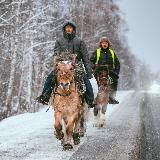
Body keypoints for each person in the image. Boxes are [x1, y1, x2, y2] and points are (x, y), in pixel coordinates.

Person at [37, 21, 94, 107]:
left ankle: (90, 100)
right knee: (50, 78)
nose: (68, 29)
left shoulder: (80, 41)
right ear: (64, 29)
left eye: (70, 27)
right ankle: (45, 97)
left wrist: (89, 72)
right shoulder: (59, 41)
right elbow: (56, 54)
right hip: (62, 66)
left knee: (85, 81)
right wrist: (58, 63)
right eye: (67, 28)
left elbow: (85, 57)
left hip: (76, 66)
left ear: (73, 29)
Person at [90, 37, 120, 104]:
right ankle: (92, 97)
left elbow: (117, 63)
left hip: (109, 71)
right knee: (92, 82)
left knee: (115, 80)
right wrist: (94, 66)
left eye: (106, 43)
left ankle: (112, 97)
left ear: (108, 44)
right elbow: (90, 62)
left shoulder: (112, 52)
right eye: (103, 43)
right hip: (98, 70)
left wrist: (116, 73)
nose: (104, 44)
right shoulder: (96, 52)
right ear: (100, 44)